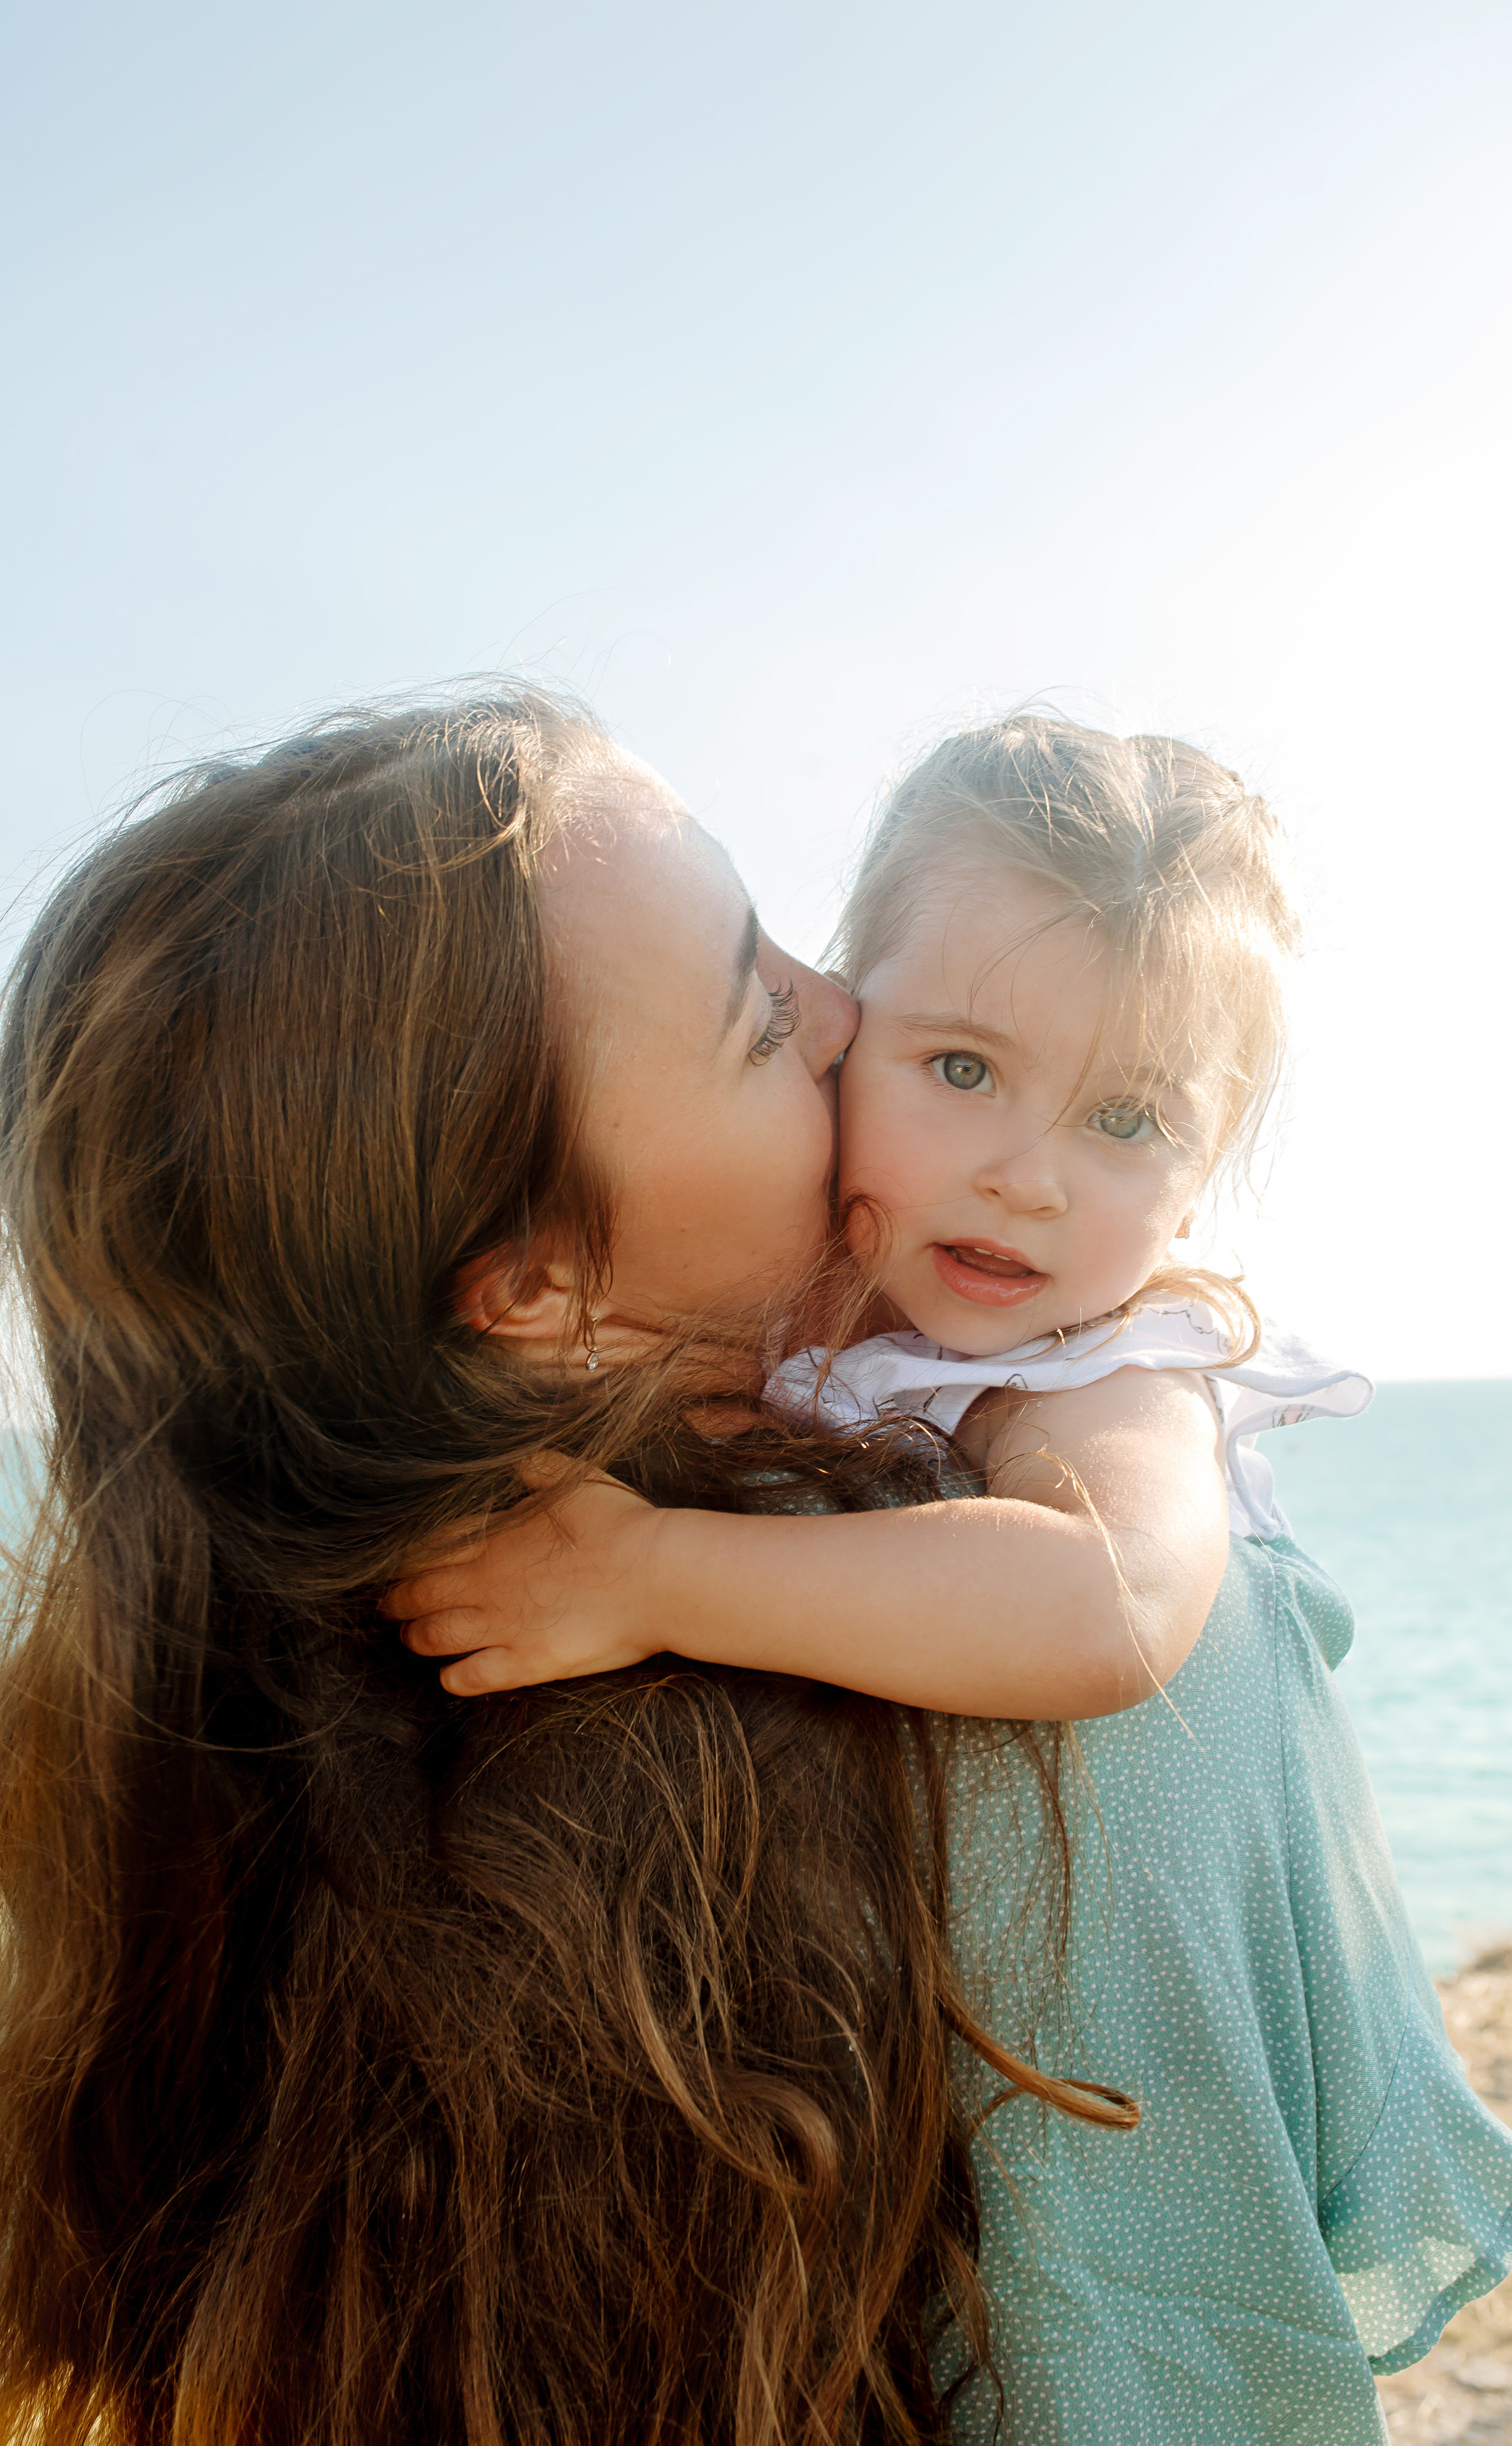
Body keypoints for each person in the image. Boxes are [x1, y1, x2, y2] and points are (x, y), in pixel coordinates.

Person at [0, 689, 1132, 2446]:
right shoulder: (942, 1643)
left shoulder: (245, 1756)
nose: (842, 1009)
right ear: (535, 1284)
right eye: (752, 1020)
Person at [389, 718, 1512, 2442]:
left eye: (1128, 1117)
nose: (1028, 1174)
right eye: (963, 1069)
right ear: (845, 1026)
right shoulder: (829, 1316)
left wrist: (656, 1575)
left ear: (1202, 1179)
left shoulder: (1112, 1371)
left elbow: (1108, 1609)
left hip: (1135, 2117)